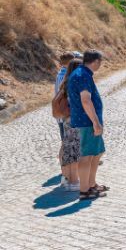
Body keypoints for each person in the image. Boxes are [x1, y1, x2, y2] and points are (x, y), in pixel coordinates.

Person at [66, 50, 107, 200]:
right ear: (95, 61)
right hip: (86, 123)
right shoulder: (83, 75)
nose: (100, 65)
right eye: (100, 62)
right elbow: (85, 100)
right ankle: (84, 191)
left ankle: (90, 185)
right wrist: (95, 122)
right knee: (86, 157)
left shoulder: (80, 73)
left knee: (93, 154)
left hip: (83, 121)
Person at [55, 58, 83, 192]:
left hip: (66, 120)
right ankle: (74, 181)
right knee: (75, 151)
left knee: (68, 149)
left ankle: (65, 179)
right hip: (75, 120)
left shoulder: (65, 83)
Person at [55, 51, 75, 188]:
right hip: (65, 115)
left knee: (64, 142)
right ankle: (66, 172)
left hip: (61, 114)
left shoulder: (60, 74)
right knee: (66, 143)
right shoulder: (65, 76)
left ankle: (65, 170)